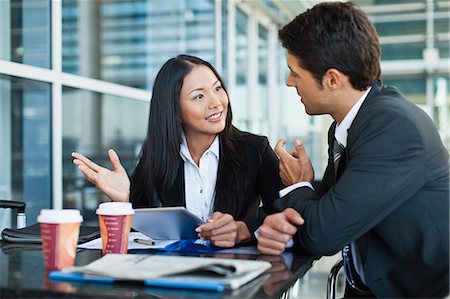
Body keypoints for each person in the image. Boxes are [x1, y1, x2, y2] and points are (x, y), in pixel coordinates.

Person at [256, 2, 449, 298]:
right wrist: (251, 226)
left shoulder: (394, 127)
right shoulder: (352, 123)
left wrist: (299, 185)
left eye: (295, 73)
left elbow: (323, 234)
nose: (288, 81)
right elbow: (335, 203)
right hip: (368, 287)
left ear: (332, 79)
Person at [72, 54, 284, 248]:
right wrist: (124, 200)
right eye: (199, 96)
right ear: (174, 111)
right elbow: (143, 234)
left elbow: (285, 213)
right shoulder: (158, 156)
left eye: (217, 88)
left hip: (236, 273)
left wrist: (244, 230)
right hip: (175, 276)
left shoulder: (254, 150)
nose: (216, 102)